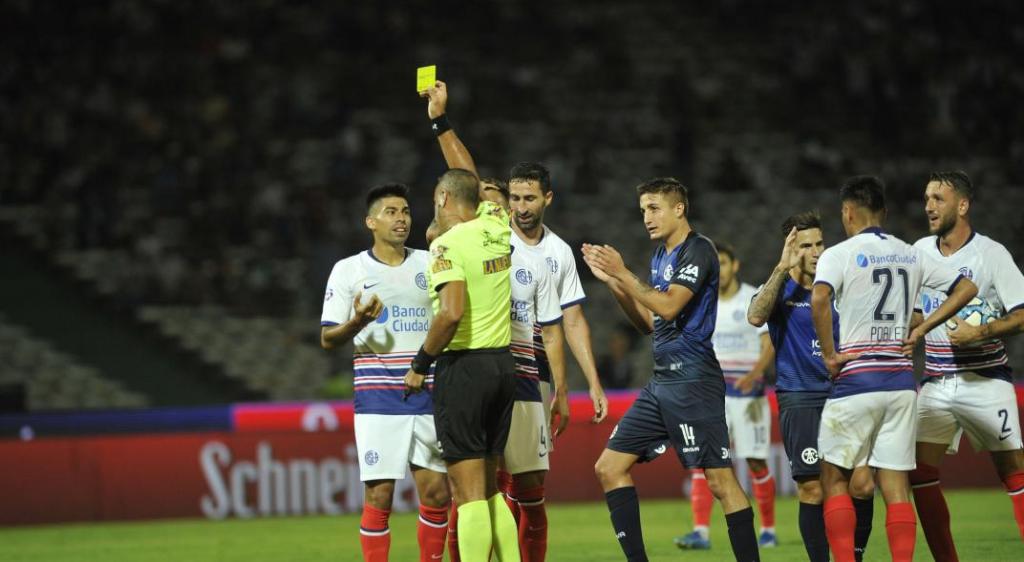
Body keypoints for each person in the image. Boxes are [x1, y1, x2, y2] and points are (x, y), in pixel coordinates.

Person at [584, 177, 761, 562]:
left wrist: (624, 272)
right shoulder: (660, 256)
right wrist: (615, 283)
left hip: (695, 379)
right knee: (609, 467)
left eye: (654, 208)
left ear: (679, 208)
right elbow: (649, 323)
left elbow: (668, 307)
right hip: (663, 381)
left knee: (719, 480)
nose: (646, 217)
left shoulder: (698, 250)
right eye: (643, 210)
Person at [419, 80, 609, 429]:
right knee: (487, 454)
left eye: (529, 199)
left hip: (534, 368)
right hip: (490, 358)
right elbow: (466, 176)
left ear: (547, 199)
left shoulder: (558, 251)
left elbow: (571, 321)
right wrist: (439, 120)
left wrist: (589, 383)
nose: (521, 208)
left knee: (522, 463)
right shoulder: (493, 231)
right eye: (516, 199)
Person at [810, 176, 978, 562]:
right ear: (883, 213)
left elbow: (819, 298)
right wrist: (922, 328)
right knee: (896, 486)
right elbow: (967, 287)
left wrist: (830, 355)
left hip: (856, 379)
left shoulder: (839, 254)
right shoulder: (911, 253)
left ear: (847, 212)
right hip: (901, 383)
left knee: (834, 478)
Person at [439, 177, 571, 562]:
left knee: (510, 489)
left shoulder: (533, 261)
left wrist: (562, 388)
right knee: (477, 488)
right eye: (489, 204)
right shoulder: (458, 245)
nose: (497, 210)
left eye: (498, 205)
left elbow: (553, 329)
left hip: (520, 380)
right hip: (483, 372)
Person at [320, 184, 450, 562]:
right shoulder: (349, 270)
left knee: (436, 493)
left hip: (428, 394)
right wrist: (357, 321)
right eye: (391, 212)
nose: (401, 218)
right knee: (379, 495)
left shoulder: (431, 262)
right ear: (371, 222)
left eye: (405, 211)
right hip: (378, 399)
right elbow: (328, 338)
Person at [403, 168, 520, 562]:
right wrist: (443, 132)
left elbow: (451, 312)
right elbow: (468, 175)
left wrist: (420, 364)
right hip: (503, 366)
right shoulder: (498, 225)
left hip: (465, 368)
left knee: (467, 494)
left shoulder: (447, 245)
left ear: (442, 199)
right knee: (490, 489)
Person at [746, 212, 875, 562]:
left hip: (846, 394)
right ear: (791, 248)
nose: (816, 251)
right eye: (806, 245)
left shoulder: (840, 285)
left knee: (862, 486)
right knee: (813, 489)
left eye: (819, 243)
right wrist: (780, 268)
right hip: (800, 397)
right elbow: (755, 316)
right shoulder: (780, 289)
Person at [909, 170, 1024, 560]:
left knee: (1013, 471)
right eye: (927, 198)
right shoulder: (918, 252)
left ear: (962, 205)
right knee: (919, 472)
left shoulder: (991, 254)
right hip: (936, 381)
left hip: (986, 379)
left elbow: (1022, 314)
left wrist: (981, 332)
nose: (929, 206)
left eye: (938, 199)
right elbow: (915, 314)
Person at [676, 243, 777, 551]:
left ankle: (768, 529)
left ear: (735, 265)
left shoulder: (752, 298)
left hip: (748, 397)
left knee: (756, 462)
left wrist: (756, 372)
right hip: (712, 397)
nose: (719, 270)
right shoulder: (702, 300)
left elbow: (769, 342)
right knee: (704, 461)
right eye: (715, 264)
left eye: (723, 263)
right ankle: (701, 532)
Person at [596, 323, 638, 390]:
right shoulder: (602, 364)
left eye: (620, 340)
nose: (616, 344)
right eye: (613, 340)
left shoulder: (636, 365)